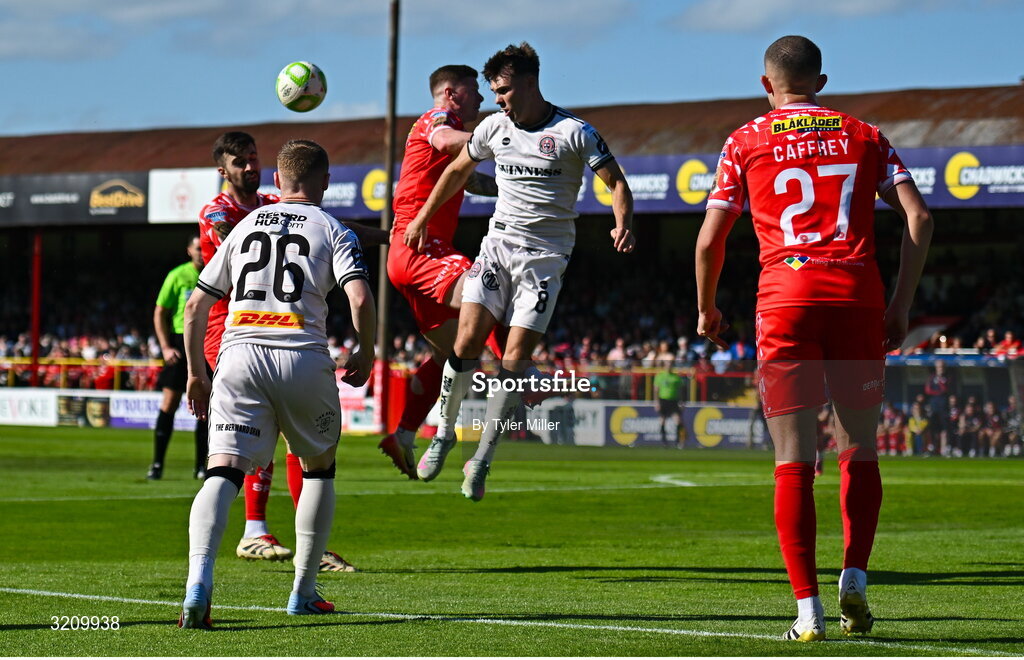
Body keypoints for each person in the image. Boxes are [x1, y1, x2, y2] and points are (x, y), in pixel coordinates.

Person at [695, 36, 932, 641]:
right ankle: (854, 574)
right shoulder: (864, 134)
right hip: (856, 296)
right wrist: (901, 302)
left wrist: (707, 310)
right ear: (820, 82)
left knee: (793, 463)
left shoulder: (745, 140)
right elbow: (920, 217)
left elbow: (708, 241)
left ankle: (808, 613)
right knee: (860, 449)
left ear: (766, 84)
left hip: (787, 299)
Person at [405, 42, 635, 501]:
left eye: (505, 90)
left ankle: (482, 459)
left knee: (513, 363)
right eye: (493, 91)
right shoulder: (493, 128)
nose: (498, 100)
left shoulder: (575, 132)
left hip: (547, 258)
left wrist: (622, 221)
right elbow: (455, 170)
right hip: (498, 246)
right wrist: (423, 215)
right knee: (467, 341)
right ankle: (444, 434)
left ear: (529, 83)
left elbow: (617, 183)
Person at [179, 139, 375, 627]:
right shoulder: (331, 228)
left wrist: (195, 373)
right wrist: (366, 350)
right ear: (325, 181)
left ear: (277, 182)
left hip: (239, 353)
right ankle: (303, 591)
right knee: (318, 469)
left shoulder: (244, 225)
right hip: (301, 357)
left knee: (222, 472)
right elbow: (361, 298)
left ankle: (197, 585)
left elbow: (195, 306)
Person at [147, 236, 208, 481]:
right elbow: (160, 311)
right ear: (189, 251)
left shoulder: (217, 271)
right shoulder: (177, 275)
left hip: (208, 341)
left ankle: (201, 467)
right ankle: (157, 464)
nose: (202, 252)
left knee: (207, 407)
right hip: (180, 342)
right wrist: (164, 347)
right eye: (198, 248)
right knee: (169, 403)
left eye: (205, 247)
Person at [653, 362, 685, 448]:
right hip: (663, 400)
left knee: (678, 420)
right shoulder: (660, 376)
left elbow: (680, 390)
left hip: (674, 401)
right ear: (664, 367)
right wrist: (656, 402)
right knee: (662, 420)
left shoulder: (676, 377)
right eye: (667, 366)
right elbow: (656, 390)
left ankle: (678, 441)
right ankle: (664, 441)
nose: (668, 367)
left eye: (670, 366)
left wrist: (681, 401)